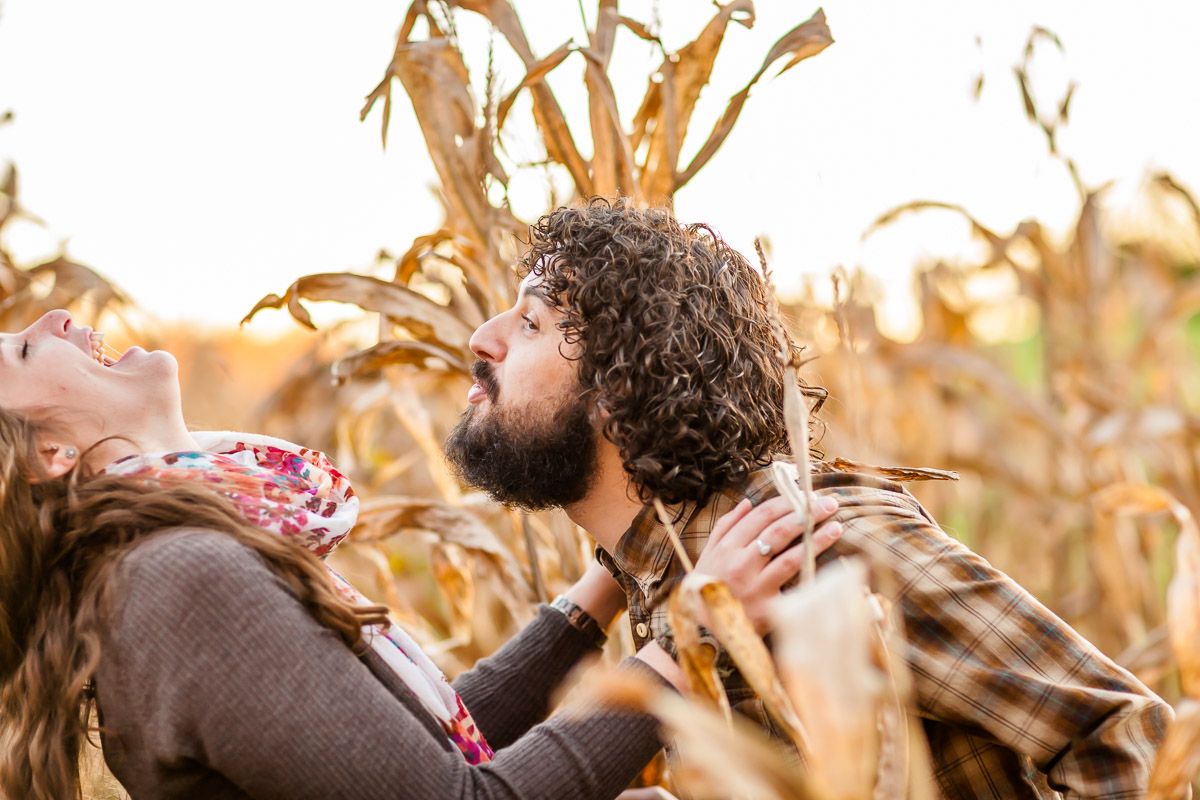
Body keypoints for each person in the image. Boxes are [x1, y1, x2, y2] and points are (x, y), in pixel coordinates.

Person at [444, 198, 1174, 799]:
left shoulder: (818, 544)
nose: (484, 338)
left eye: (532, 322)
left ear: (619, 392)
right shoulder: (671, 575)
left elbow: (1130, 741)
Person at [0, 309, 844, 799]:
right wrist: (691, 638)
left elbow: (425, 738)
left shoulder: (167, 560)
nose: (53, 321)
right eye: (26, 351)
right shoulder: (177, 581)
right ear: (48, 458)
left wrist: (602, 592)